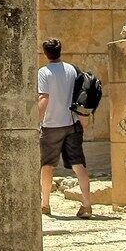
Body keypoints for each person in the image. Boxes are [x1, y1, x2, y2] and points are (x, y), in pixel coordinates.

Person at [37, 38, 93, 219]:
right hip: (71, 123)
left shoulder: (44, 72)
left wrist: (36, 121)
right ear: (60, 51)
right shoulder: (72, 69)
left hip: (51, 125)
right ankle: (87, 205)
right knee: (79, 165)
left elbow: (44, 98)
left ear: (46, 53)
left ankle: (45, 204)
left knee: (47, 166)